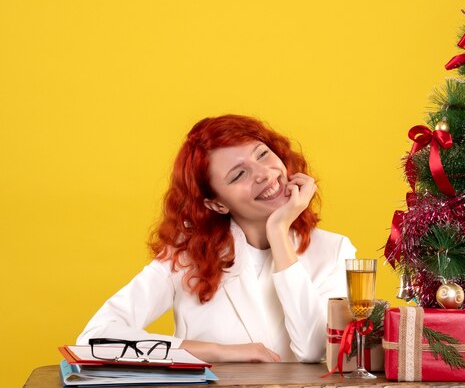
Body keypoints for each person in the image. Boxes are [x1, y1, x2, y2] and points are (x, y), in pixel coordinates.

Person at [77, 114, 357, 363]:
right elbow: (95, 338)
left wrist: (279, 231)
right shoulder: (187, 256)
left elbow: (314, 349)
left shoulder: (334, 251)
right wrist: (217, 351)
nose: (263, 174)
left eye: (262, 154)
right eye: (238, 175)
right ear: (216, 204)